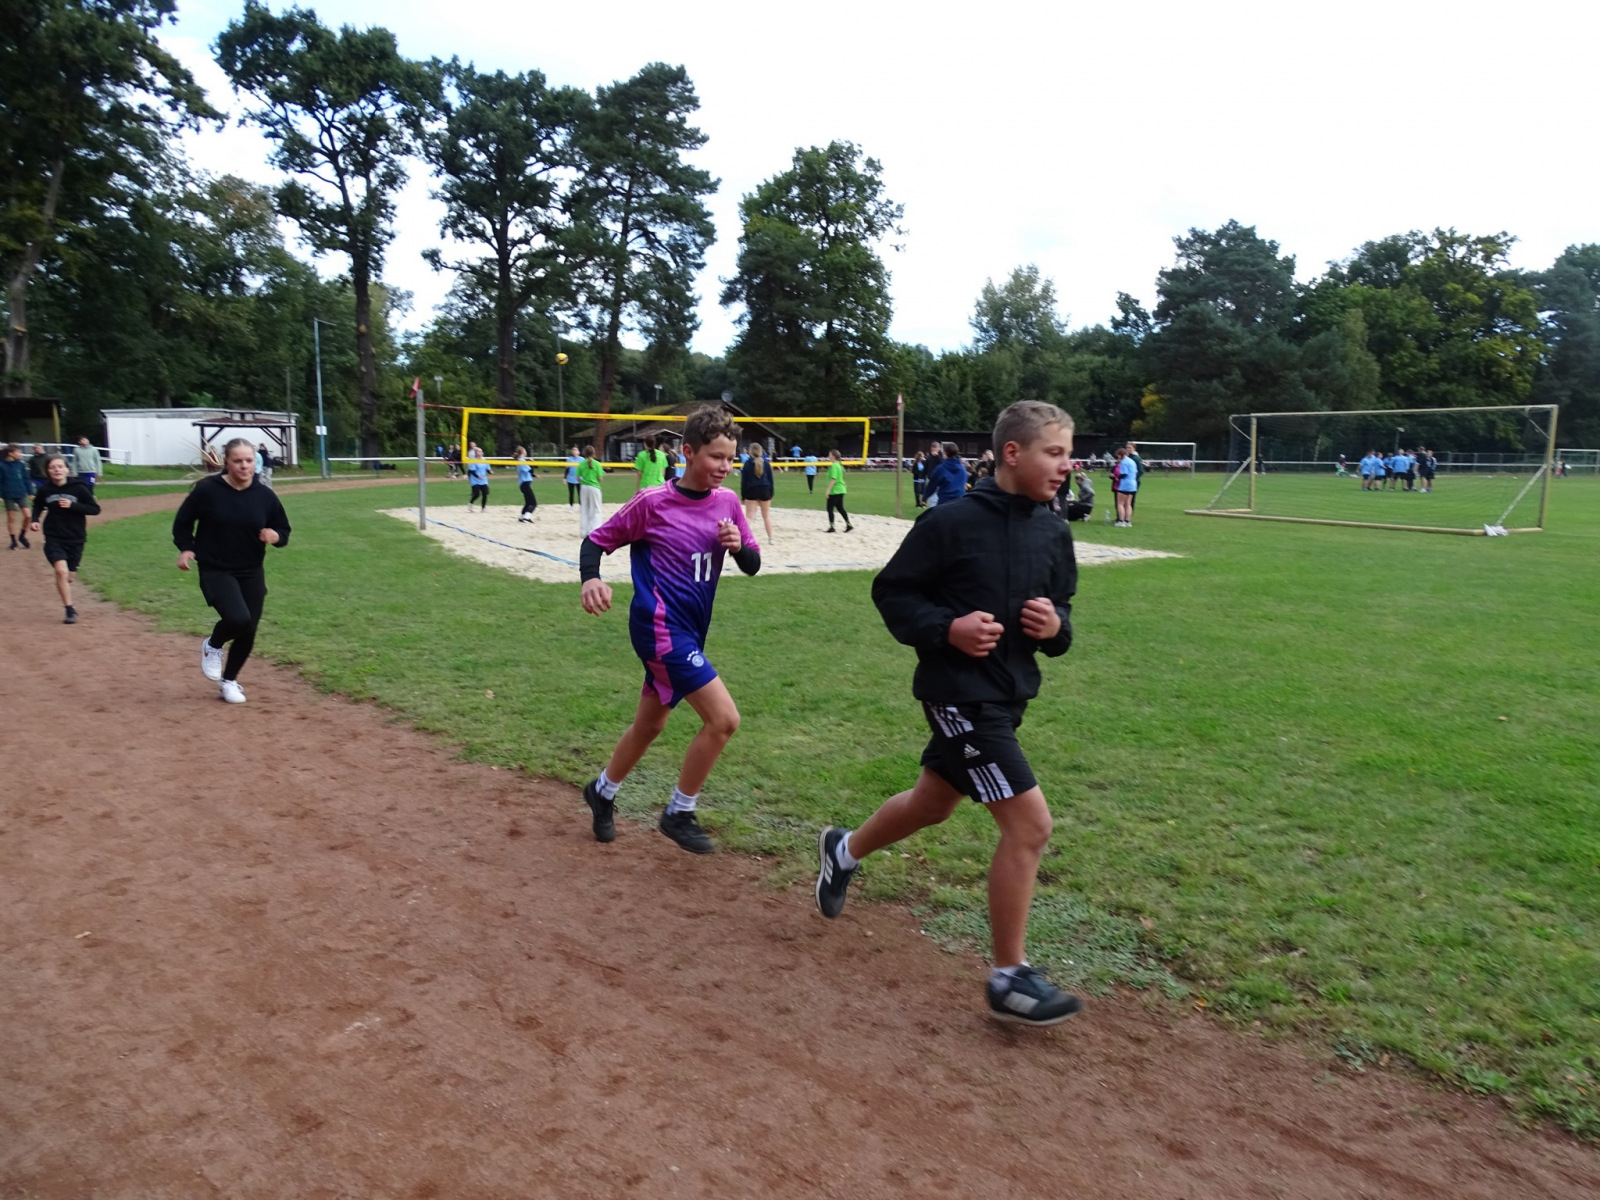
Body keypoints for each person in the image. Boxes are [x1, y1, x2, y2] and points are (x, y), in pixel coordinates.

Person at [815, 400, 1082, 1026]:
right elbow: (893, 592)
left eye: (1069, 455)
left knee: (932, 803)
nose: (1066, 466)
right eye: (1054, 452)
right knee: (1030, 826)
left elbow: (1064, 613)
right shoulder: (950, 522)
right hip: (958, 695)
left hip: (1009, 695)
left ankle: (843, 851)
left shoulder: (1053, 531)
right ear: (1012, 453)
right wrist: (947, 628)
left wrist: (1055, 628)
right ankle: (1009, 978)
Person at [578, 406, 761, 854]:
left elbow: (753, 564)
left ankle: (602, 791)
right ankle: (680, 810)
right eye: (716, 456)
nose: (724, 466)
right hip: (658, 629)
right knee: (724, 719)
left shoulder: (728, 503)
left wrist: (738, 547)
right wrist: (591, 578)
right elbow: (595, 541)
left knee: (650, 726)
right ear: (688, 452)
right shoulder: (652, 503)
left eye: (730, 458)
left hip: (690, 632)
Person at [172, 438, 290, 704]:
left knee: (249, 629)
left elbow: (283, 529)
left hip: (251, 570)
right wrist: (186, 548)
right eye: (238, 461)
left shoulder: (265, 495)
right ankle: (213, 645)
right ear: (227, 462)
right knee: (238, 619)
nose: (244, 466)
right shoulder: (207, 491)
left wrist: (275, 536)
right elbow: (183, 522)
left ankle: (229, 681)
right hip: (216, 568)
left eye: (249, 460)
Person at [29, 455, 102, 624]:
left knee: (69, 576)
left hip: (76, 537)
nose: (57, 470)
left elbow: (95, 509)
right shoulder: (45, 489)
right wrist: (34, 520)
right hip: (53, 536)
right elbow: (38, 505)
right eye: (52, 467)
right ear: (48, 471)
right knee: (60, 571)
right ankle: (69, 609)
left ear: (67, 469)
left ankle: (69, 579)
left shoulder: (79, 488)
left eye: (60, 466)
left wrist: (72, 505)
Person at [740, 440, 776, 546]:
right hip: (764, 489)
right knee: (766, 516)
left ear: (750, 452)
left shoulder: (747, 464)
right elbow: (771, 481)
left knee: (749, 517)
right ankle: (771, 539)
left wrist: (743, 496)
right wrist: (771, 494)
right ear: (761, 451)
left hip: (751, 490)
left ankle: (743, 539)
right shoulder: (766, 463)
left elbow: (744, 482)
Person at [3, 443, 35, 550]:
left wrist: (30, 492)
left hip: (20, 493)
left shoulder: (20, 465)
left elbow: (26, 479)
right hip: (8, 494)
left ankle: (22, 536)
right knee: (11, 518)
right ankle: (13, 541)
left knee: (28, 516)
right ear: (10, 453)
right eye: (17, 452)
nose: (20, 454)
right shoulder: (1, 465)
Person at [577, 444, 604, 538]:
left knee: (584, 509)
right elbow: (600, 478)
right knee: (596, 510)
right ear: (593, 453)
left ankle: (583, 532)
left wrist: (584, 480)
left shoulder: (581, 464)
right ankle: (594, 530)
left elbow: (578, 478)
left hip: (584, 487)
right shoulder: (597, 464)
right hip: (594, 487)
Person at [928, 441, 967, 506]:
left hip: (945, 500)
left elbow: (932, 483)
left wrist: (925, 497)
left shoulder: (941, 467)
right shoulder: (962, 468)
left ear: (945, 453)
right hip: (959, 500)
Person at [823, 448, 852, 533]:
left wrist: (828, 490)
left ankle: (832, 527)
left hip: (835, 490)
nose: (828, 456)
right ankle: (849, 525)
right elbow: (842, 477)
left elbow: (834, 479)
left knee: (830, 508)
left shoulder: (835, 466)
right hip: (841, 489)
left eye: (829, 455)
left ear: (833, 456)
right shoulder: (839, 465)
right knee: (840, 508)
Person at [1113, 445, 1138, 526]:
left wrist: (1116, 476)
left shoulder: (1124, 462)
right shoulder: (1132, 461)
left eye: (1118, 456)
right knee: (1128, 504)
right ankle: (1128, 521)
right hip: (1133, 484)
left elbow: (1124, 474)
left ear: (1120, 455)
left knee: (1120, 503)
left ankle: (1121, 521)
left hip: (1125, 484)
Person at [515, 446, 537, 522]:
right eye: (524, 450)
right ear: (522, 452)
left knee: (528, 503)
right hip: (525, 484)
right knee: (533, 503)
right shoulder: (521, 461)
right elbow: (530, 470)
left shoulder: (522, 460)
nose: (526, 451)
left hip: (524, 484)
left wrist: (534, 475)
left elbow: (528, 472)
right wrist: (532, 463)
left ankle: (521, 517)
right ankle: (527, 517)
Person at [465, 444, 491, 511]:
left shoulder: (485, 460)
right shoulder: (474, 461)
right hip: (475, 480)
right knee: (477, 494)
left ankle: (483, 507)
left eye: (481, 451)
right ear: (476, 453)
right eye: (478, 451)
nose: (480, 452)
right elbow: (472, 471)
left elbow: (487, 469)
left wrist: (490, 472)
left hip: (483, 480)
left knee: (485, 493)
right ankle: (471, 503)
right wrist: (477, 476)